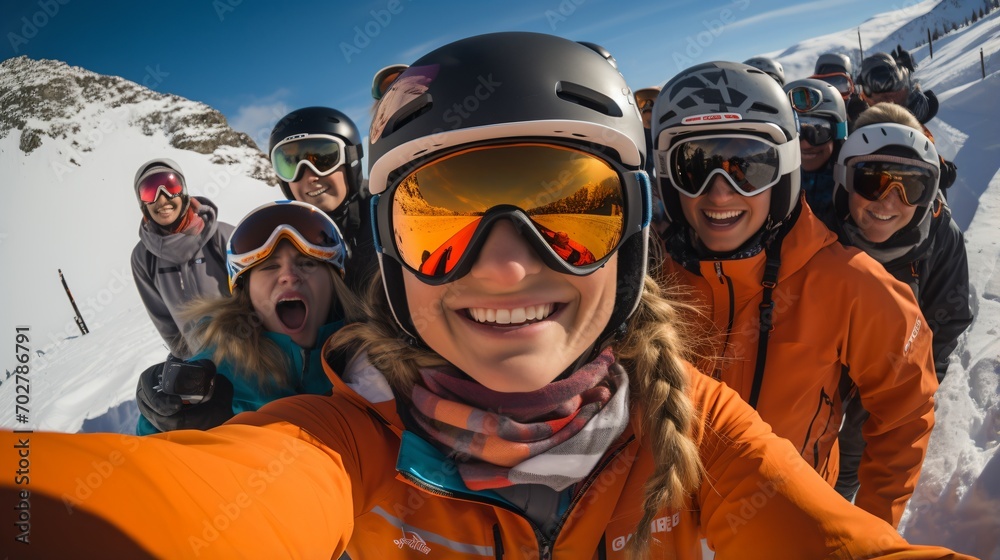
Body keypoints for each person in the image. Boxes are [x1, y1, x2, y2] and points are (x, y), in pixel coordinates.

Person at [0, 34, 973, 559]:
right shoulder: (348, 444)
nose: (506, 268)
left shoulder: (697, 427)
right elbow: (145, 509)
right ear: (389, 254)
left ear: (630, 242)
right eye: (441, 218)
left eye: (569, 211)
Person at [651, 60, 939, 528]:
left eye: (747, 166)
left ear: (783, 170)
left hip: (787, 528)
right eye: (695, 166)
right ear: (669, 178)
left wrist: (868, 527)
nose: (719, 194)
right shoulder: (648, 284)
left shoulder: (849, 284)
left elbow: (906, 413)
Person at [830, 104, 974, 498]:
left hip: (888, 381)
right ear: (844, 174)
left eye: (912, 185)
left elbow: (948, 317)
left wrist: (915, 387)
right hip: (821, 385)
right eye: (872, 180)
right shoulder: (818, 224)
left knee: (851, 465)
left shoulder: (941, 235)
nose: (889, 202)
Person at [135, 199, 364, 434]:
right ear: (247, 294)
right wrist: (160, 422)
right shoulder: (219, 375)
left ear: (334, 284)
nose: (289, 276)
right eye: (269, 267)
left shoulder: (373, 364)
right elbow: (153, 462)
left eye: (306, 263)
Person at [130, 158, 234, 359]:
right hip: (204, 369)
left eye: (170, 185)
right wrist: (192, 364)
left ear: (183, 191)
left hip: (251, 355)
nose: (162, 199)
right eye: (149, 191)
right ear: (142, 204)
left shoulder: (223, 236)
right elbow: (164, 321)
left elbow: (257, 298)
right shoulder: (143, 258)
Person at [268, 107, 378, 294]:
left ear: (351, 159)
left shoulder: (389, 215)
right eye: (291, 164)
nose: (310, 176)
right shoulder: (282, 239)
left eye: (324, 159)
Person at [856, 52, 958, 195]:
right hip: (875, 190)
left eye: (892, 85)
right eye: (876, 86)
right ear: (864, 93)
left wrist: (936, 164)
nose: (888, 97)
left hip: (916, 192)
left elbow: (921, 140)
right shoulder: (857, 120)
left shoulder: (912, 109)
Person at [783, 77, 849, 227]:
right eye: (795, 132)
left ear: (837, 135)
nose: (806, 144)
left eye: (819, 132)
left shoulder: (855, 189)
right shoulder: (769, 186)